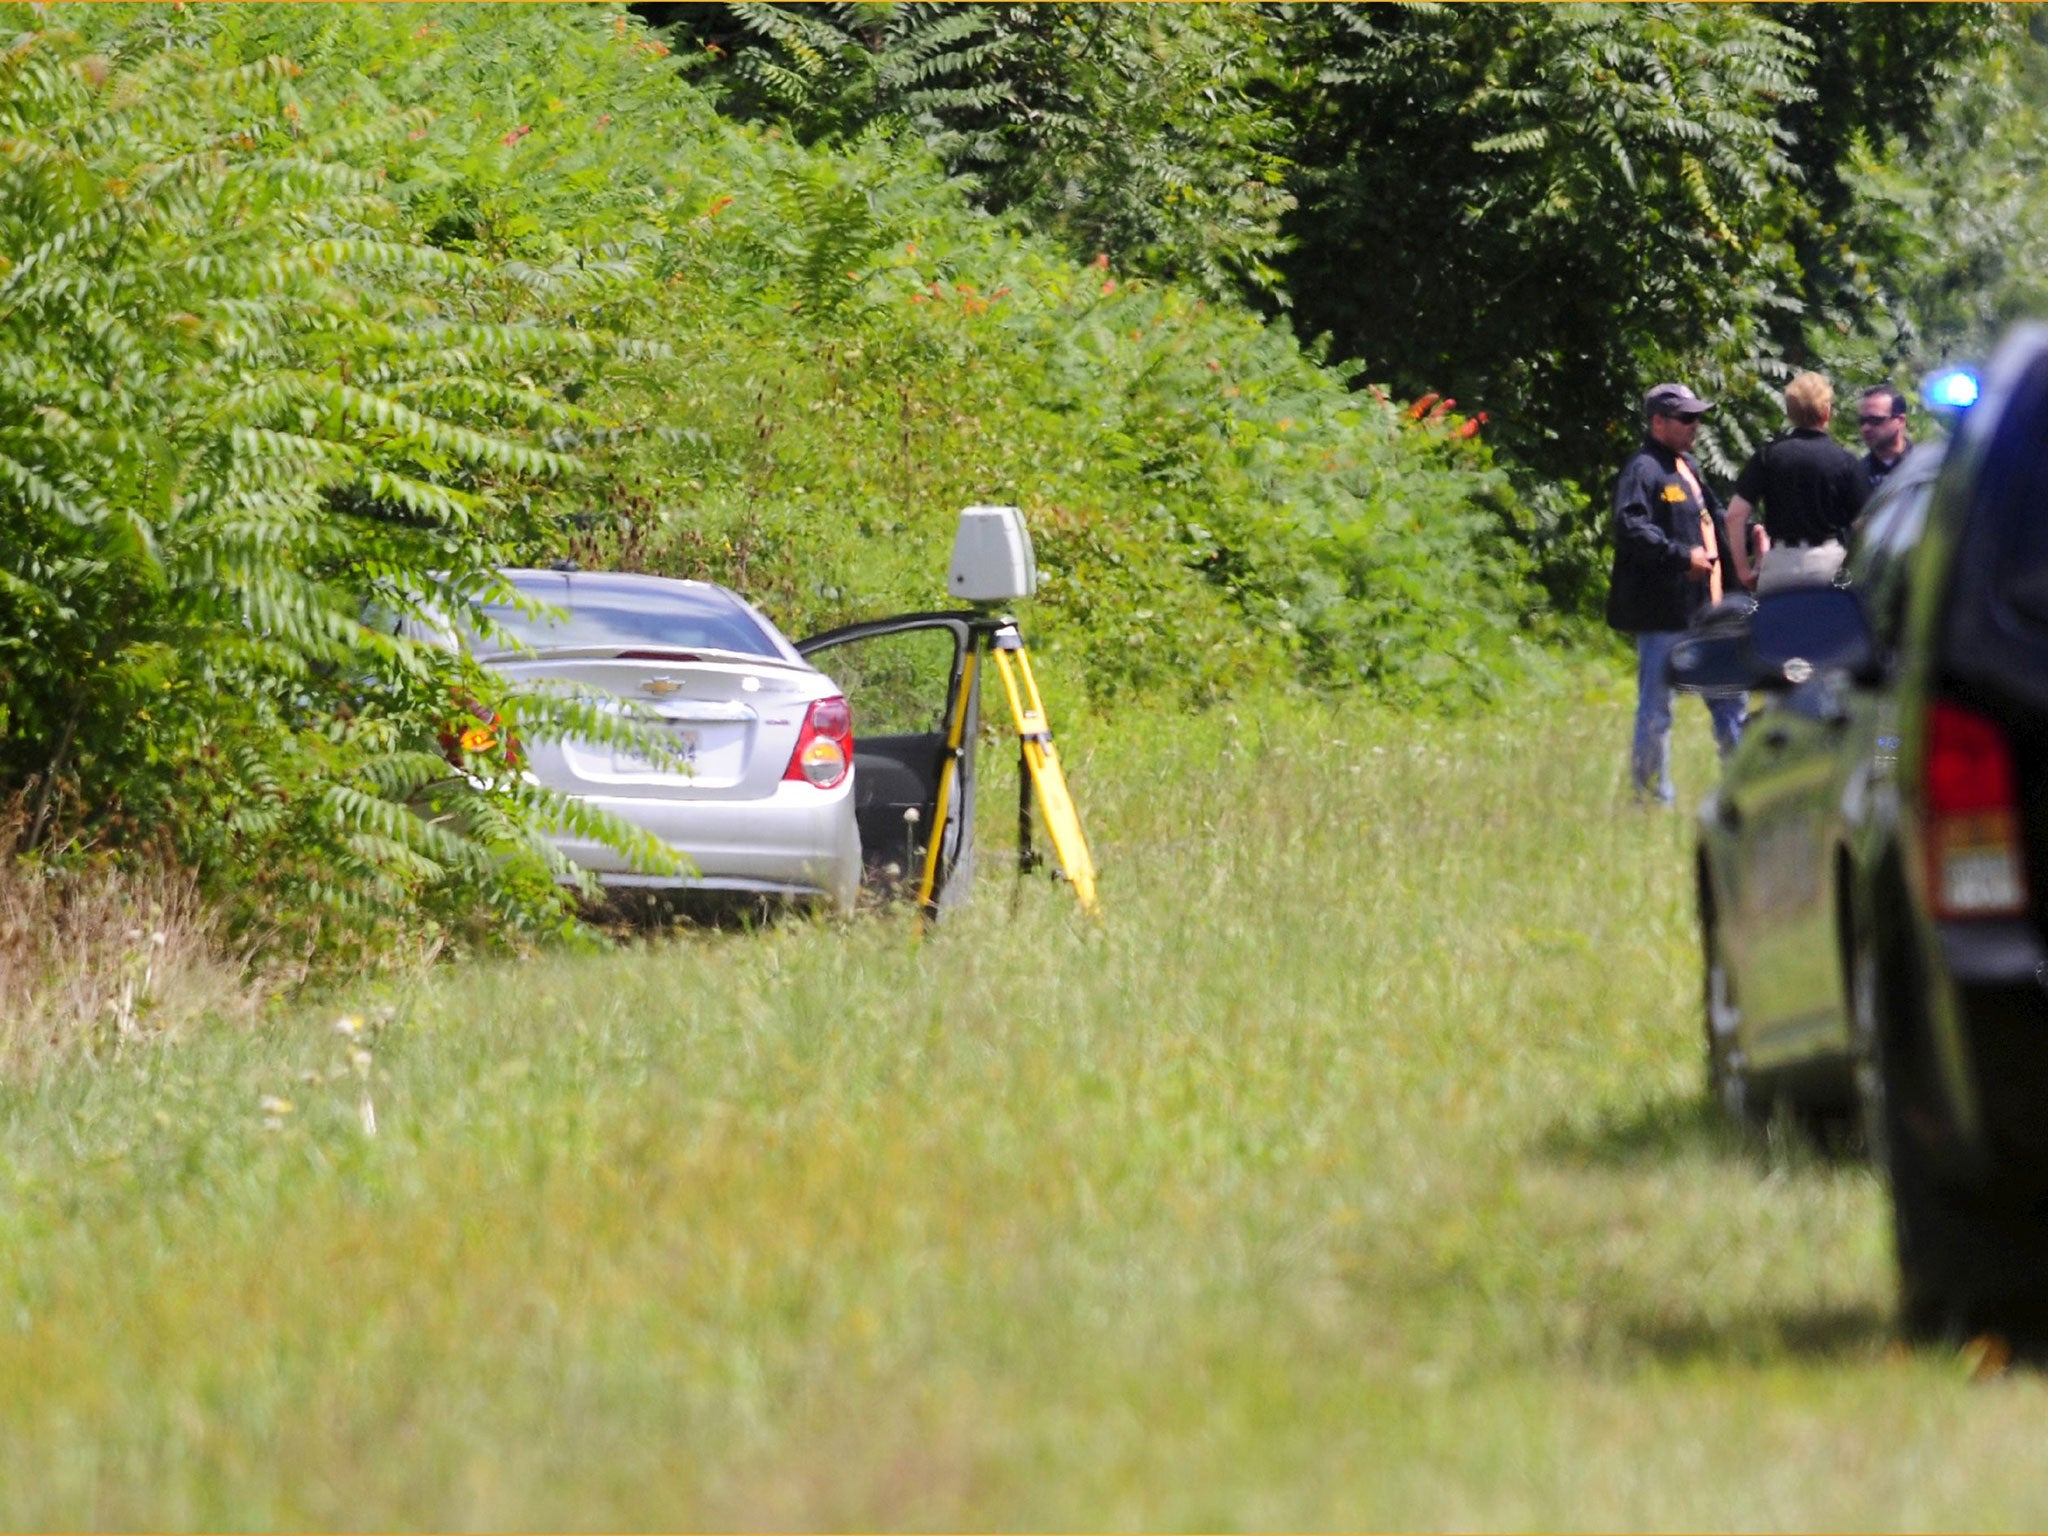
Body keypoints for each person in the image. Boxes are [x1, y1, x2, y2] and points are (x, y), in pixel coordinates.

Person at [1605, 382, 1746, 807]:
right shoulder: (1644, 469)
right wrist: (1680, 556)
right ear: (1658, 421)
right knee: (1656, 710)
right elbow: (1630, 527)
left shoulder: (1688, 466)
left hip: (1709, 612)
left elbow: (1714, 519)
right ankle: (1650, 798)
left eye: (1697, 417)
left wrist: (1746, 544)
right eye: (1686, 418)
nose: (1695, 425)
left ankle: (1743, 792)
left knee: (1730, 704)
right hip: (1665, 615)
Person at [1724, 371, 1867, 594]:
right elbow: (1865, 524)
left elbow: (1734, 515)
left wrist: (1743, 571)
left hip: (1780, 566)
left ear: (1790, 412)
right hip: (1828, 566)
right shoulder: (1845, 461)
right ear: (1827, 412)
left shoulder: (1768, 456)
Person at [1856, 382, 1913, 491]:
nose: (1866, 428)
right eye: (1862, 421)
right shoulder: (1858, 473)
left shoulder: (1923, 464)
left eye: (1875, 420)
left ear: (1900, 421)